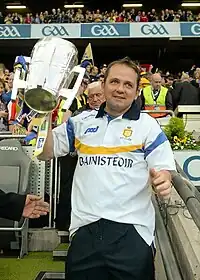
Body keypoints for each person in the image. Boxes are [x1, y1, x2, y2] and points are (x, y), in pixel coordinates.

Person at [38, 57, 175, 280]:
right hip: (85, 231)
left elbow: (163, 168)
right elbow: (46, 152)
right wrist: (42, 115)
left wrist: (164, 179)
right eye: (115, 82)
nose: (121, 89)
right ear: (104, 85)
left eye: (128, 84)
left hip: (132, 233)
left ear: (137, 91)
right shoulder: (81, 122)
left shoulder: (148, 125)